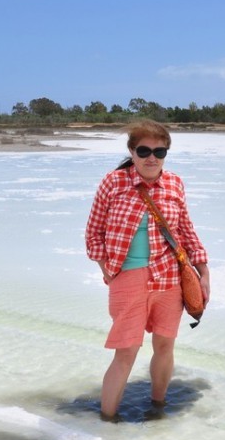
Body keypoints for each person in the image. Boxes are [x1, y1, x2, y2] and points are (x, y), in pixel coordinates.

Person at [85, 120, 210, 421]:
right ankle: (106, 421)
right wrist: (109, 271)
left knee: (165, 345)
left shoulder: (175, 183)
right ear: (132, 151)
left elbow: (186, 231)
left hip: (169, 279)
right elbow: (93, 234)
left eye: (159, 151)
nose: (151, 157)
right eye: (143, 150)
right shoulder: (113, 182)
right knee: (126, 351)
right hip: (128, 279)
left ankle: (158, 408)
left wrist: (204, 271)